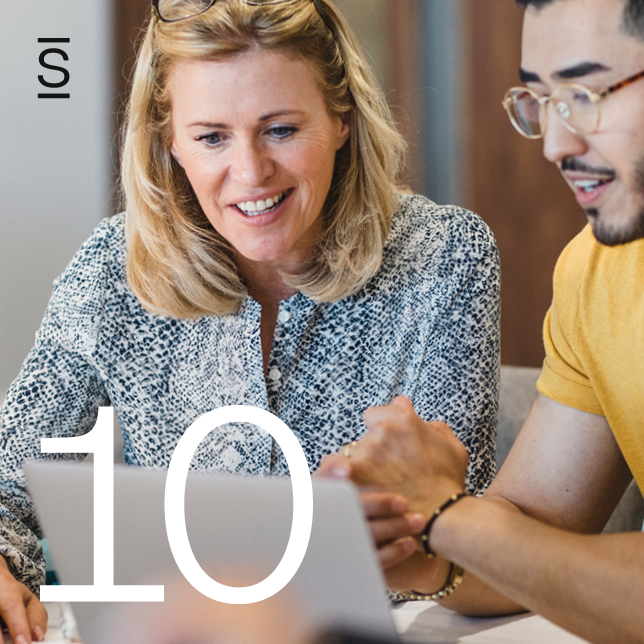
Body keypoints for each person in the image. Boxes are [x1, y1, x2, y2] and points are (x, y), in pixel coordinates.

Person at [0, 0, 500, 642]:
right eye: (212, 137)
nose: (251, 172)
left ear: (341, 117)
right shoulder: (113, 266)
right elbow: (9, 483)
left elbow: (454, 529)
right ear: (171, 143)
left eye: (281, 129)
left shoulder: (444, 256)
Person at [318, 0, 644, 642]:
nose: (556, 143)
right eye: (540, 100)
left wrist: (449, 517)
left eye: (583, 93)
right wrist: (416, 549)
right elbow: (536, 534)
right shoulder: (595, 270)